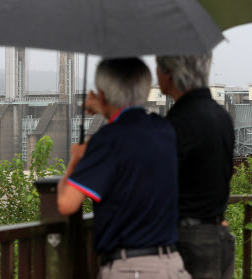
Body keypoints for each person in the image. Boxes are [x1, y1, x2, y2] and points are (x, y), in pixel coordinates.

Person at [58, 58, 190, 278]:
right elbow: (129, 127)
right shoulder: (164, 129)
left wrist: (75, 161)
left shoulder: (107, 140)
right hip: (172, 265)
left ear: (101, 94)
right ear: (146, 90)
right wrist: (102, 107)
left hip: (132, 269)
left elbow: (66, 204)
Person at [156, 54, 235, 279]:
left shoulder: (179, 121)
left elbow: (162, 182)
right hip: (220, 233)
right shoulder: (221, 116)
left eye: (158, 69)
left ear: (169, 74)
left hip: (191, 238)